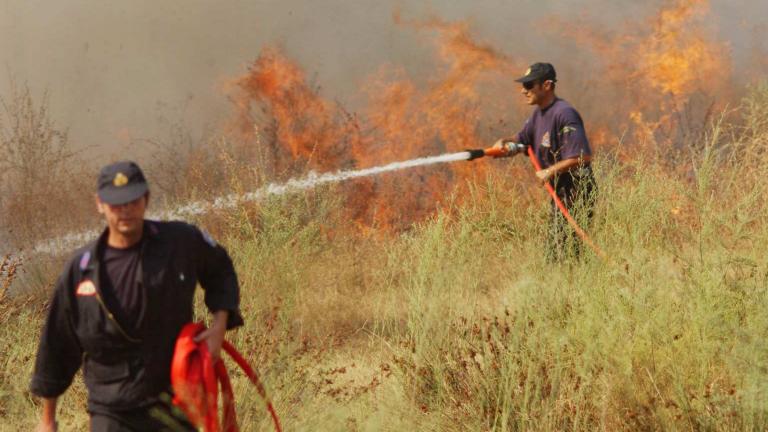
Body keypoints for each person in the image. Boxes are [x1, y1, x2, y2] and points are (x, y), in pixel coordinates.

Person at [30, 161, 244, 431]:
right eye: (116, 203)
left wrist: (219, 325)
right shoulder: (82, 270)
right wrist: (47, 420)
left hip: (174, 402)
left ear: (146, 199)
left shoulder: (180, 242)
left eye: (132, 201)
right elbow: (57, 344)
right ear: (100, 204)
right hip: (112, 411)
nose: (126, 209)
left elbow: (220, 268)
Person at [493, 62, 597, 259]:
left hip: (577, 188)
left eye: (530, 85)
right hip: (560, 190)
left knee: (566, 251)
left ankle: (573, 284)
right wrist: (505, 143)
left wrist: (550, 171)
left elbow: (582, 156)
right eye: (524, 85)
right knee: (556, 248)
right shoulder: (538, 115)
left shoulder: (564, 113)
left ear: (547, 85)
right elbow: (522, 140)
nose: (524, 91)